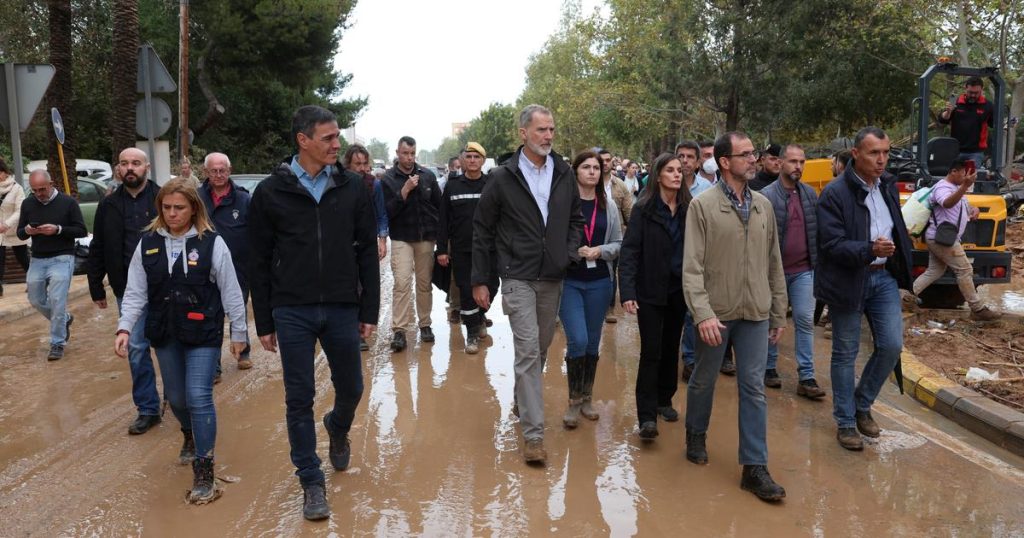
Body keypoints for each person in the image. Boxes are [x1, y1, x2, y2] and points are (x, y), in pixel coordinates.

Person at [249, 105, 379, 520]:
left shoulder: (353, 188)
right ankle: (311, 480)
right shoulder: (270, 192)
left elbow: (366, 255)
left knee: (353, 388)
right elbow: (259, 258)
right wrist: (265, 319)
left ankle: (338, 426)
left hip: (342, 305)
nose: (337, 144)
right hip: (292, 308)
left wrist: (369, 309)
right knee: (298, 398)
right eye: (328, 138)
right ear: (302, 140)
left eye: (337, 136)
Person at [114, 178, 247, 504]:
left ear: (193, 209)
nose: (172, 214)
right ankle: (188, 433)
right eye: (167, 207)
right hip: (165, 332)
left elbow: (231, 289)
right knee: (175, 398)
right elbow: (134, 293)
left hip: (203, 332)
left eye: (179, 208)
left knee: (198, 395)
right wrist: (124, 328)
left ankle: (205, 469)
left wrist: (239, 332)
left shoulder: (212, 243)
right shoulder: (147, 244)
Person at [472, 104, 584, 464]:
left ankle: (524, 399)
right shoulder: (503, 177)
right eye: (541, 130)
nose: (548, 136)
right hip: (517, 276)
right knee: (527, 350)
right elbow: (483, 229)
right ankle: (534, 436)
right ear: (523, 134)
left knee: (543, 346)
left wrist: (567, 253)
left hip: (552, 275)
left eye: (551, 130)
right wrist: (480, 279)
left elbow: (575, 219)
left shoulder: (564, 173)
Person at [683, 131, 788, 502]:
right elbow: (691, 268)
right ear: (725, 162)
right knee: (704, 379)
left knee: (753, 388)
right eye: (745, 155)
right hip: (717, 314)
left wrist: (778, 312)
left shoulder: (762, 206)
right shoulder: (703, 206)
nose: (753, 160)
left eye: (753, 154)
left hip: (756, 312)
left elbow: (775, 263)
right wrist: (703, 314)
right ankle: (695, 433)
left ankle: (754, 467)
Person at [816, 126, 913, 452]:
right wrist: (870, 249)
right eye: (874, 153)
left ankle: (861, 403)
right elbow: (831, 245)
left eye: (885, 153)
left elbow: (896, 226)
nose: (882, 160)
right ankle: (845, 423)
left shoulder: (886, 185)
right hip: (848, 278)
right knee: (845, 353)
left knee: (890, 345)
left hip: (883, 277)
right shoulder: (834, 194)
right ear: (856, 154)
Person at [88, 147, 164, 434]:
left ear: (146, 167)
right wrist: (96, 286)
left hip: (166, 286)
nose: (129, 168)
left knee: (170, 345)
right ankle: (147, 408)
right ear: (117, 169)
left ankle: (178, 400)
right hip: (127, 289)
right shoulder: (108, 205)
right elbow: (99, 246)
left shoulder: (163, 199)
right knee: (136, 347)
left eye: (135, 163)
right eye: (124, 164)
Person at [619, 153, 689, 440]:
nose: (676, 175)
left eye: (679, 171)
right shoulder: (643, 209)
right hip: (650, 291)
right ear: (658, 175)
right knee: (651, 351)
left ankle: (664, 399)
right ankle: (647, 416)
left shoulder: (689, 209)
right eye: (670, 170)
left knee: (672, 347)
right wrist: (628, 291)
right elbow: (630, 252)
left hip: (679, 291)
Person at [559, 150, 622, 428]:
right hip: (570, 281)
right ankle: (573, 401)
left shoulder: (609, 206)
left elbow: (620, 242)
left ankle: (587, 398)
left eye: (596, 167)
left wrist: (600, 250)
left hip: (599, 282)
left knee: (593, 341)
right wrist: (573, 251)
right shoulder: (563, 205)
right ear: (575, 172)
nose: (592, 172)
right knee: (579, 340)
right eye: (586, 167)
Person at [759, 144, 827, 398]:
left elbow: (817, 231)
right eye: (793, 161)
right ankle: (768, 368)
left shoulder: (810, 195)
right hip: (773, 273)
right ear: (781, 164)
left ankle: (807, 377)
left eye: (802, 162)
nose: (798, 166)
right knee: (771, 320)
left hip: (804, 271)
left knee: (804, 320)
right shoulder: (766, 196)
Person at [911, 158, 1000, 320]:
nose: (966, 177)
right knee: (965, 270)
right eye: (964, 174)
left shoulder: (955, 188)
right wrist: (965, 186)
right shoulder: (942, 188)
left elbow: (963, 205)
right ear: (954, 172)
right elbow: (947, 203)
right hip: (942, 239)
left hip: (942, 238)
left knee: (935, 270)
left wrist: (974, 210)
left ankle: (906, 297)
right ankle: (978, 309)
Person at [17, 170, 87, 360]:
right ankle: (65, 319)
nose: (39, 193)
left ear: (52, 184)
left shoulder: (68, 202)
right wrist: (28, 230)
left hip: (63, 257)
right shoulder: (28, 203)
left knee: (57, 300)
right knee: (35, 299)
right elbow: (20, 234)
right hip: (38, 258)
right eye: (35, 190)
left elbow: (81, 230)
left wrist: (58, 230)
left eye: (42, 189)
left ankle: (57, 343)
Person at [381, 136, 441, 352]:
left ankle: (425, 324)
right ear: (397, 153)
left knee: (424, 284)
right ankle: (399, 330)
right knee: (402, 283)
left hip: (426, 238)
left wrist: (441, 237)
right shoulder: (388, 179)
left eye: (412, 153)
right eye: (405, 153)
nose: (409, 157)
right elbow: (387, 212)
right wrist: (404, 191)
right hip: (401, 238)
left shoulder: (427, 176)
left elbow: (439, 206)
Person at [436, 142, 496, 354]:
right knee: (467, 291)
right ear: (462, 160)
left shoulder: (491, 185)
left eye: (476, 157)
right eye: (468, 157)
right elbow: (443, 220)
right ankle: (471, 333)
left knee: (492, 286)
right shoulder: (453, 186)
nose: (472, 160)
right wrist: (442, 249)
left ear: (482, 160)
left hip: (489, 250)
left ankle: (479, 318)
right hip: (462, 250)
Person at [198, 152, 254, 375]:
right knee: (210, 314)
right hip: (203, 267)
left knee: (237, 308)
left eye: (223, 170)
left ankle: (244, 352)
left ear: (229, 171)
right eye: (214, 171)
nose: (219, 174)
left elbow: (255, 233)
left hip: (239, 266)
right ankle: (214, 364)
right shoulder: (196, 198)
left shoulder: (243, 199)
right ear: (206, 173)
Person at [342, 144, 390, 351]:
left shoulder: (374, 185)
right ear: (348, 165)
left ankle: (360, 331)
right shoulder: (339, 184)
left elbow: (381, 214)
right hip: (342, 245)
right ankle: (348, 328)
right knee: (348, 287)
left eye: (364, 164)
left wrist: (382, 239)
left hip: (366, 244)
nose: (362, 168)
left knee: (365, 288)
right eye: (357, 164)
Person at [675, 140, 712, 382]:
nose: (685, 161)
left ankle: (690, 359)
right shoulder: (667, 184)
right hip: (673, 256)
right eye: (681, 156)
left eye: (690, 157)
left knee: (692, 312)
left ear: (698, 162)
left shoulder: (707, 189)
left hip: (698, 258)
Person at [596, 147, 633, 324]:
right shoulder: (585, 183)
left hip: (614, 237)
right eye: (601, 160)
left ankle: (609, 308)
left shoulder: (620, 185)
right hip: (591, 236)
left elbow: (629, 214)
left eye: (608, 159)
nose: (605, 163)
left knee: (611, 272)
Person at [938, 76, 994, 165]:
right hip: (955, 149)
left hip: (975, 152)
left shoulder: (988, 105)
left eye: (976, 93)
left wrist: (1007, 124)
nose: (973, 95)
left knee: (971, 177)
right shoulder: (956, 101)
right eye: (970, 92)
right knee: (953, 176)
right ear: (965, 88)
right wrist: (948, 112)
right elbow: (942, 120)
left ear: (982, 90)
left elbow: (995, 124)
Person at [0, 157, 30, 297]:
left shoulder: (16, 188)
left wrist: (7, 224)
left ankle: (34, 281)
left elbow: (20, 210)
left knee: (22, 258)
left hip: (13, 230)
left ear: (5, 172)